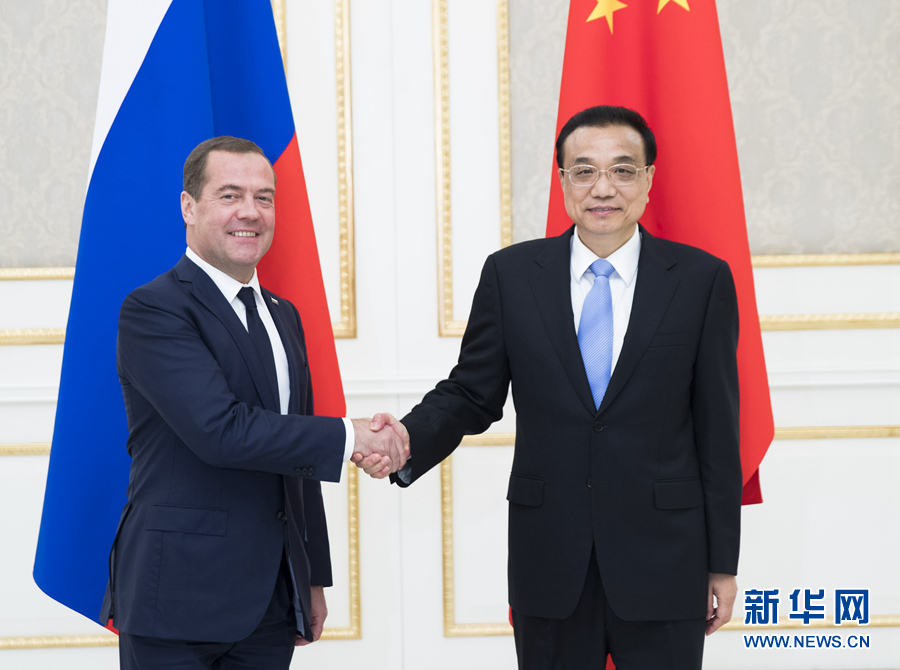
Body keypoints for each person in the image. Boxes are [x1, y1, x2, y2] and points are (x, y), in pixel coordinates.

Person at [363, 106, 742, 669]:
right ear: (563, 180)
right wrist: (407, 438)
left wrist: (722, 563)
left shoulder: (700, 280)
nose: (603, 188)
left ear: (648, 179)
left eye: (622, 170)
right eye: (584, 171)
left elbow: (718, 430)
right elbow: (471, 393)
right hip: (550, 558)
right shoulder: (512, 276)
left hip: (666, 559)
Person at [100, 136, 407, 669]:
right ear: (188, 207)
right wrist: (353, 435)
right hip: (174, 598)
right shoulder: (154, 310)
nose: (250, 211)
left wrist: (311, 577)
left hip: (269, 601)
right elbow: (220, 430)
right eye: (230, 195)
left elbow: (298, 457)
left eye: (264, 197)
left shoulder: (284, 315)